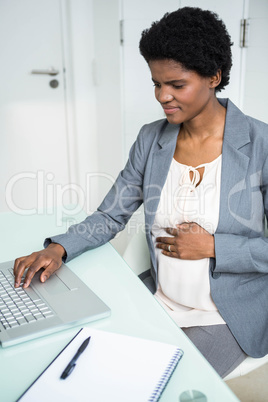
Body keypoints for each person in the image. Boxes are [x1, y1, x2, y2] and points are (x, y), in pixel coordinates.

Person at [13, 7, 268, 378]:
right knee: (79, 362)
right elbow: (111, 214)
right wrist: (58, 248)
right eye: (156, 83)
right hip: (159, 299)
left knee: (153, 382)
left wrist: (214, 246)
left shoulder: (260, 144)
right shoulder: (152, 138)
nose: (162, 96)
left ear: (214, 76)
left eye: (176, 85)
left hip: (226, 315)